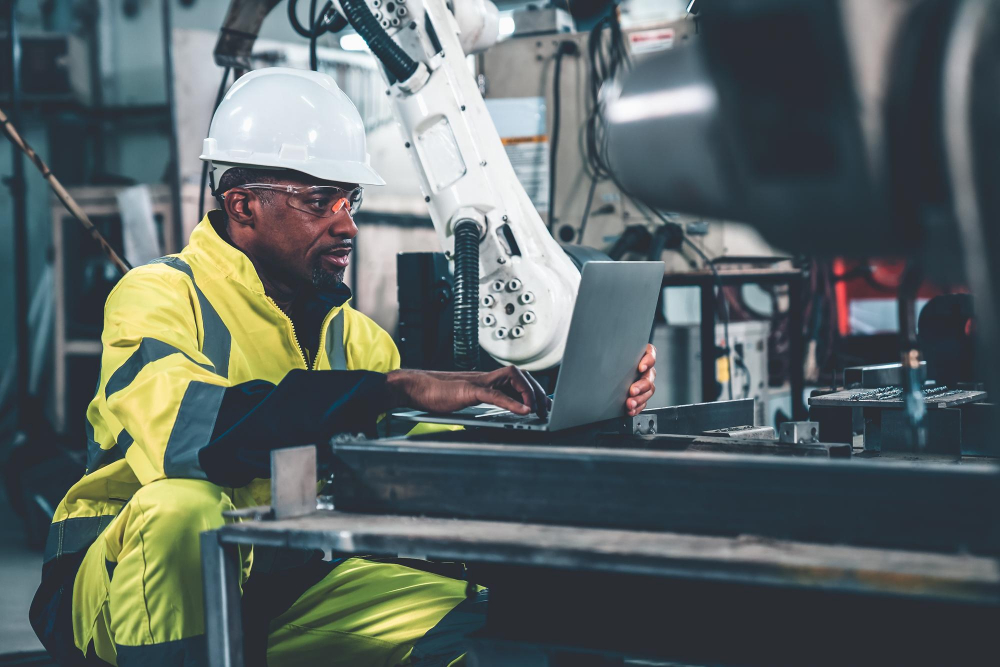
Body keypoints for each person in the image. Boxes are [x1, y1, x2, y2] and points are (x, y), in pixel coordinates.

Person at [30, 68, 657, 667]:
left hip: (289, 584)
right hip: (125, 596)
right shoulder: (158, 296)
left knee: (488, 627)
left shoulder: (354, 336)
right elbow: (185, 438)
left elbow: (425, 460)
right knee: (183, 511)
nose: (347, 224)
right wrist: (391, 389)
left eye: (349, 199)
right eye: (319, 200)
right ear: (242, 204)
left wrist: (561, 402)